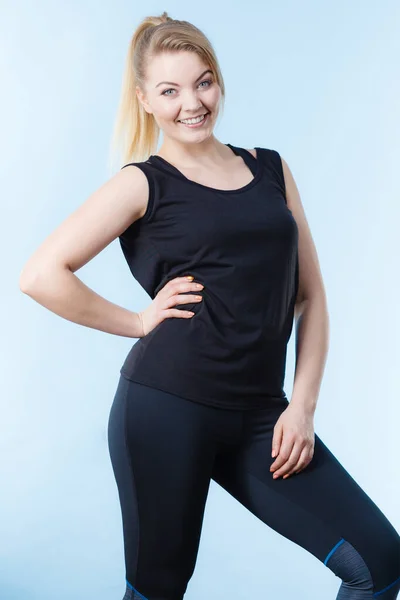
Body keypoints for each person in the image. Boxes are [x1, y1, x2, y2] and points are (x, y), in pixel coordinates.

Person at [19, 11, 400, 600]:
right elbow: (41, 274)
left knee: (379, 561)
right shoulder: (143, 182)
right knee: (159, 591)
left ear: (217, 81)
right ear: (145, 99)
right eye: (169, 91)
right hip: (167, 409)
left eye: (202, 82)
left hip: (262, 418)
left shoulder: (269, 168)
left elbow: (311, 294)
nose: (191, 103)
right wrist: (138, 322)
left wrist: (300, 407)